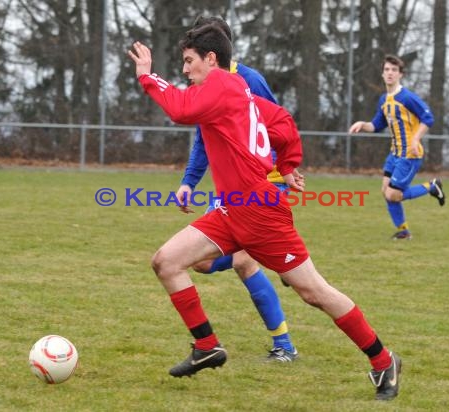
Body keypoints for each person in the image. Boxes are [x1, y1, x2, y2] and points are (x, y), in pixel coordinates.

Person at [128, 24, 401, 401]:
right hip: (231, 209)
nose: (186, 70)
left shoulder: (222, 84)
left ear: (211, 59)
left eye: (189, 61)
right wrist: (287, 165)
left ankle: (383, 359)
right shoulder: (238, 90)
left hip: (260, 213)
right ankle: (207, 346)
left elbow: (179, 110)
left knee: (313, 291)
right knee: (166, 261)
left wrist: (146, 75)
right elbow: (283, 123)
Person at [175, 16, 298, 362]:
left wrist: (286, 170)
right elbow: (202, 138)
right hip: (229, 190)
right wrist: (188, 181)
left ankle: (284, 345)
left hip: (263, 186)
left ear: (217, 51)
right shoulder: (204, 86)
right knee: (202, 264)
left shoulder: (250, 80)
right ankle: (279, 264)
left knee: (244, 262)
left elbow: (277, 124)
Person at [349, 54, 446, 240]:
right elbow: (377, 126)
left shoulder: (407, 97)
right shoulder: (384, 99)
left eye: (394, 70)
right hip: (395, 154)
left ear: (401, 74)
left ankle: (432, 187)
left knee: (393, 194)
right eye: (387, 70)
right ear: (382, 74)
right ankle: (403, 231)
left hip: (410, 154)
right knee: (386, 191)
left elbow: (428, 118)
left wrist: (416, 139)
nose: (390, 73)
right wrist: (362, 124)